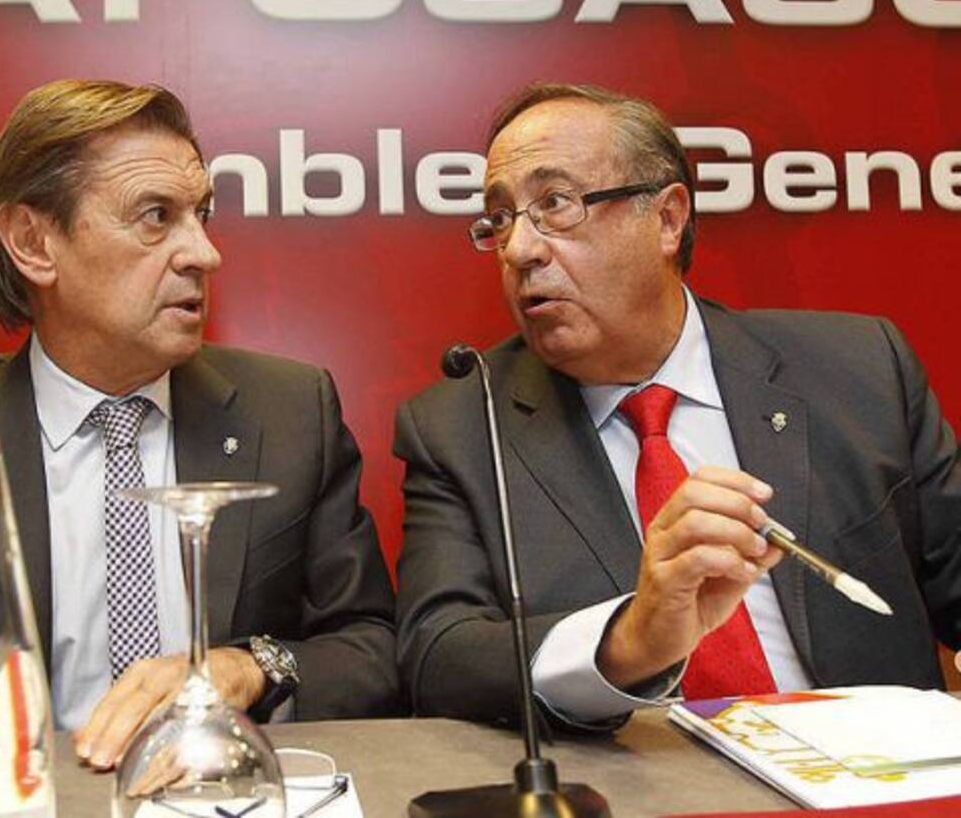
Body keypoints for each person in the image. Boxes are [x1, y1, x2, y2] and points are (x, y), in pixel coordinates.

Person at [0, 79, 400, 763]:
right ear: (33, 242)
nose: (204, 253)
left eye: (202, 214)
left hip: (215, 791)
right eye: (155, 216)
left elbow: (371, 648)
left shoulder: (290, 412)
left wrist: (248, 667)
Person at [394, 82, 961, 730]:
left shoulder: (857, 369)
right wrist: (632, 639)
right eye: (500, 219)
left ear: (667, 218)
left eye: (555, 204)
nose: (520, 249)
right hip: (645, 778)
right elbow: (438, 658)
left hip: (877, 769)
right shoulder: (463, 426)